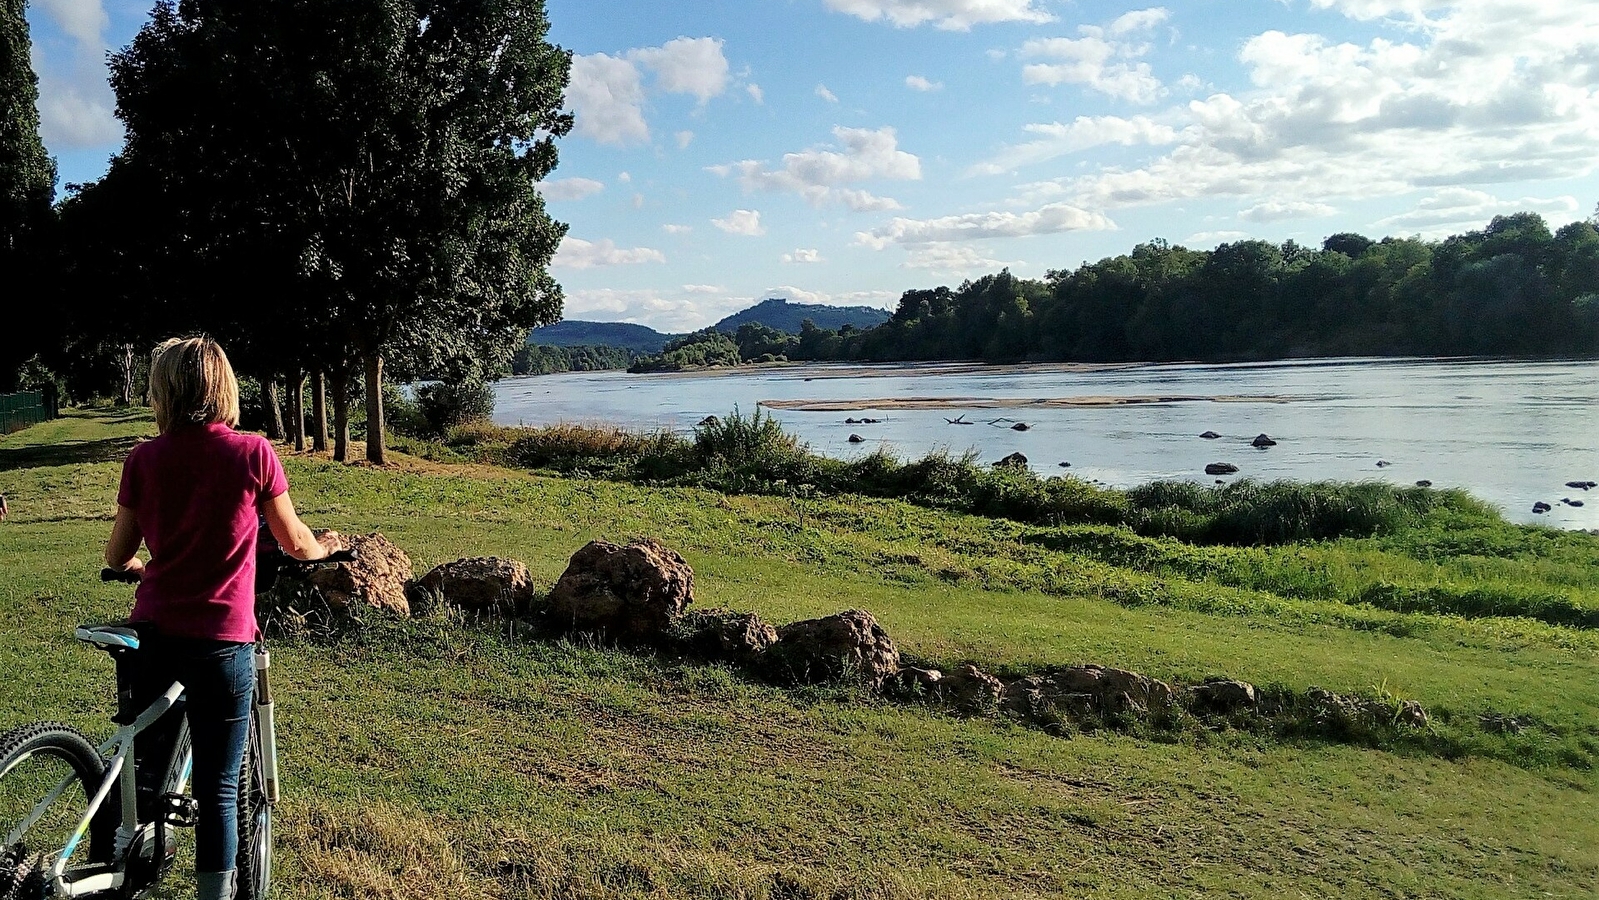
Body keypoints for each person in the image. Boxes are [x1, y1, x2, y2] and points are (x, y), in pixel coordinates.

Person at [104, 337, 339, 900]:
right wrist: (327, 548)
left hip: (154, 634)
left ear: (165, 390)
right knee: (220, 788)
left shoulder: (143, 458)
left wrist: (139, 565)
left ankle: (115, 866)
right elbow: (295, 540)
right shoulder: (252, 454)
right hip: (222, 643)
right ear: (224, 386)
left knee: (141, 770)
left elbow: (116, 554)